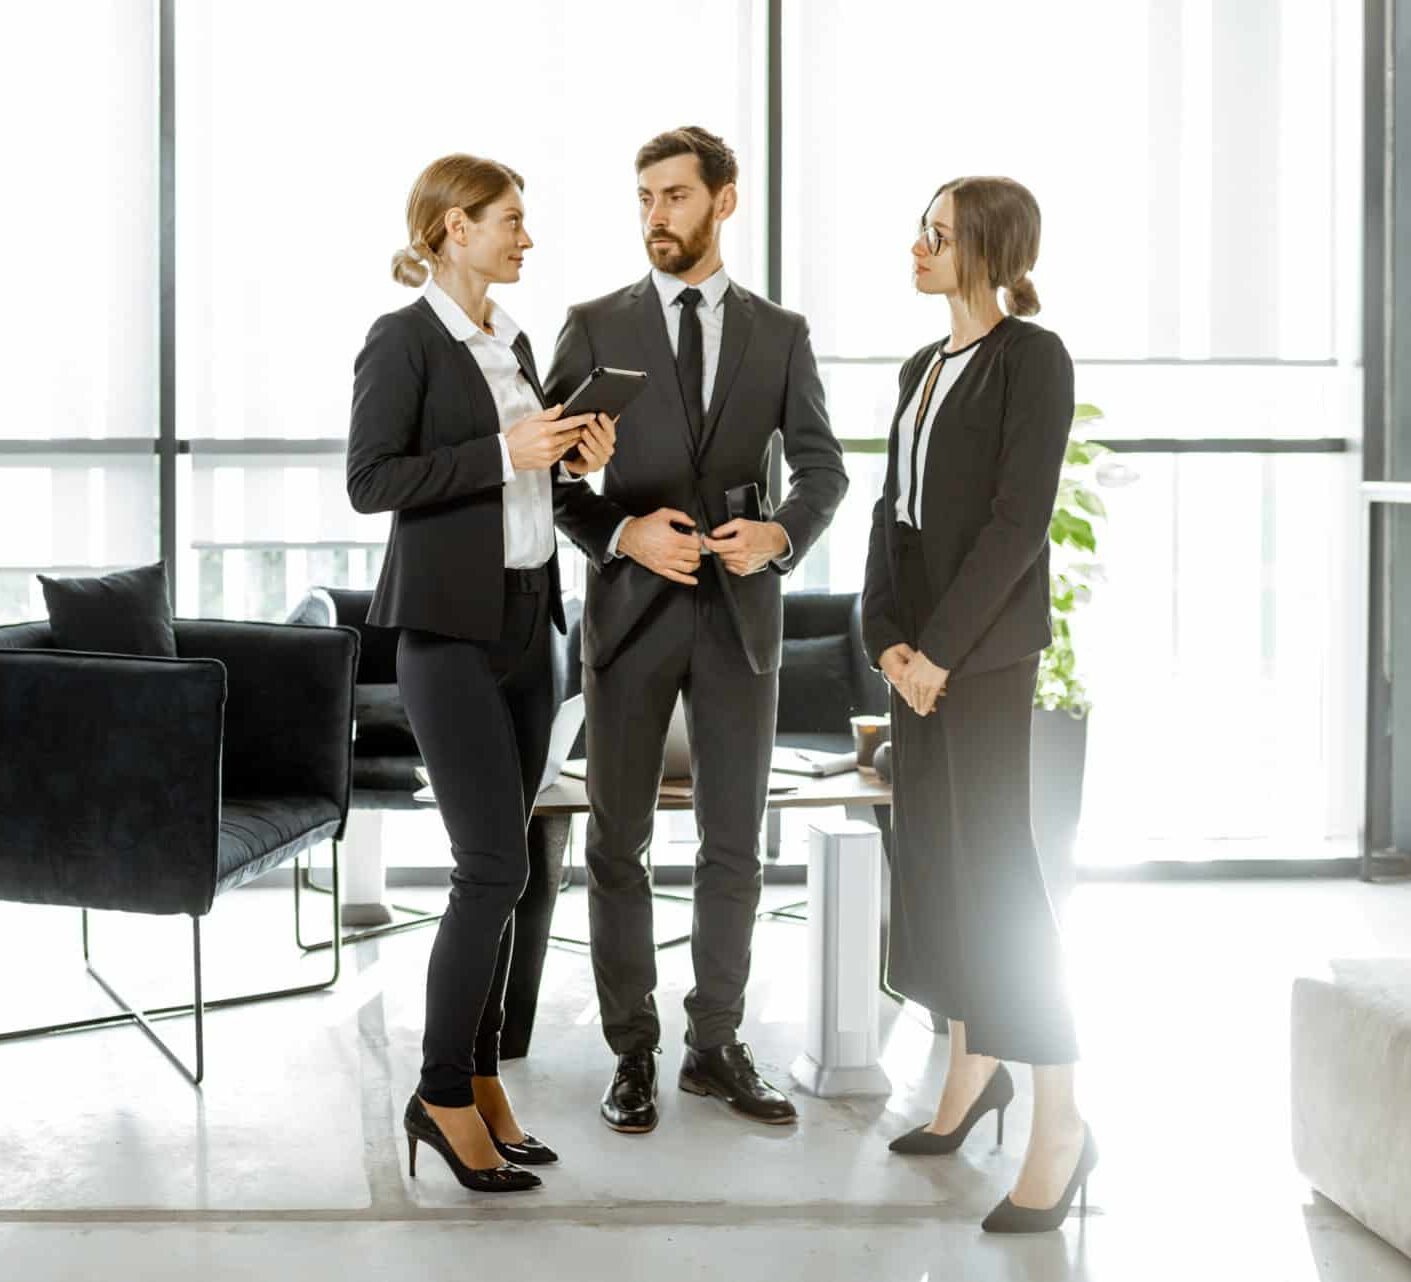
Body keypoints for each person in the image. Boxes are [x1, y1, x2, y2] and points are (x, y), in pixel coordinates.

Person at [547, 127, 848, 1134]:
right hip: (629, 623)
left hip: (737, 623)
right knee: (616, 843)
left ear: (723, 201)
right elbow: (549, 477)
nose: (654, 216)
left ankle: (714, 1045)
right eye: (642, 197)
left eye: (673, 195)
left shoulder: (782, 332)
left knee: (734, 846)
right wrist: (623, 531)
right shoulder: (592, 324)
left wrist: (781, 534)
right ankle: (631, 1052)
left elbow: (823, 468)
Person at [346, 153, 615, 1194]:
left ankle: (481, 1081)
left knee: (520, 869)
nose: (524, 238)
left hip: (527, 622)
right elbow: (372, 480)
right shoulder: (402, 339)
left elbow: (525, 470)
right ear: (451, 228)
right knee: (491, 868)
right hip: (443, 634)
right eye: (508, 220)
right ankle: (439, 1090)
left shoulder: (514, 338)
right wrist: (505, 451)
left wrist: (569, 452)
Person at [862, 176, 1096, 1233]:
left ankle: (1061, 1121)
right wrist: (887, 643)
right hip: (918, 660)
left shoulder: (1029, 359)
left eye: (937, 234)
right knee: (938, 866)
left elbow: (1018, 522)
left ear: (988, 251)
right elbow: (890, 516)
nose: (917, 245)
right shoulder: (921, 367)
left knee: (999, 875)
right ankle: (971, 1074)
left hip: (982, 662)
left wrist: (941, 653)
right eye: (921, 228)